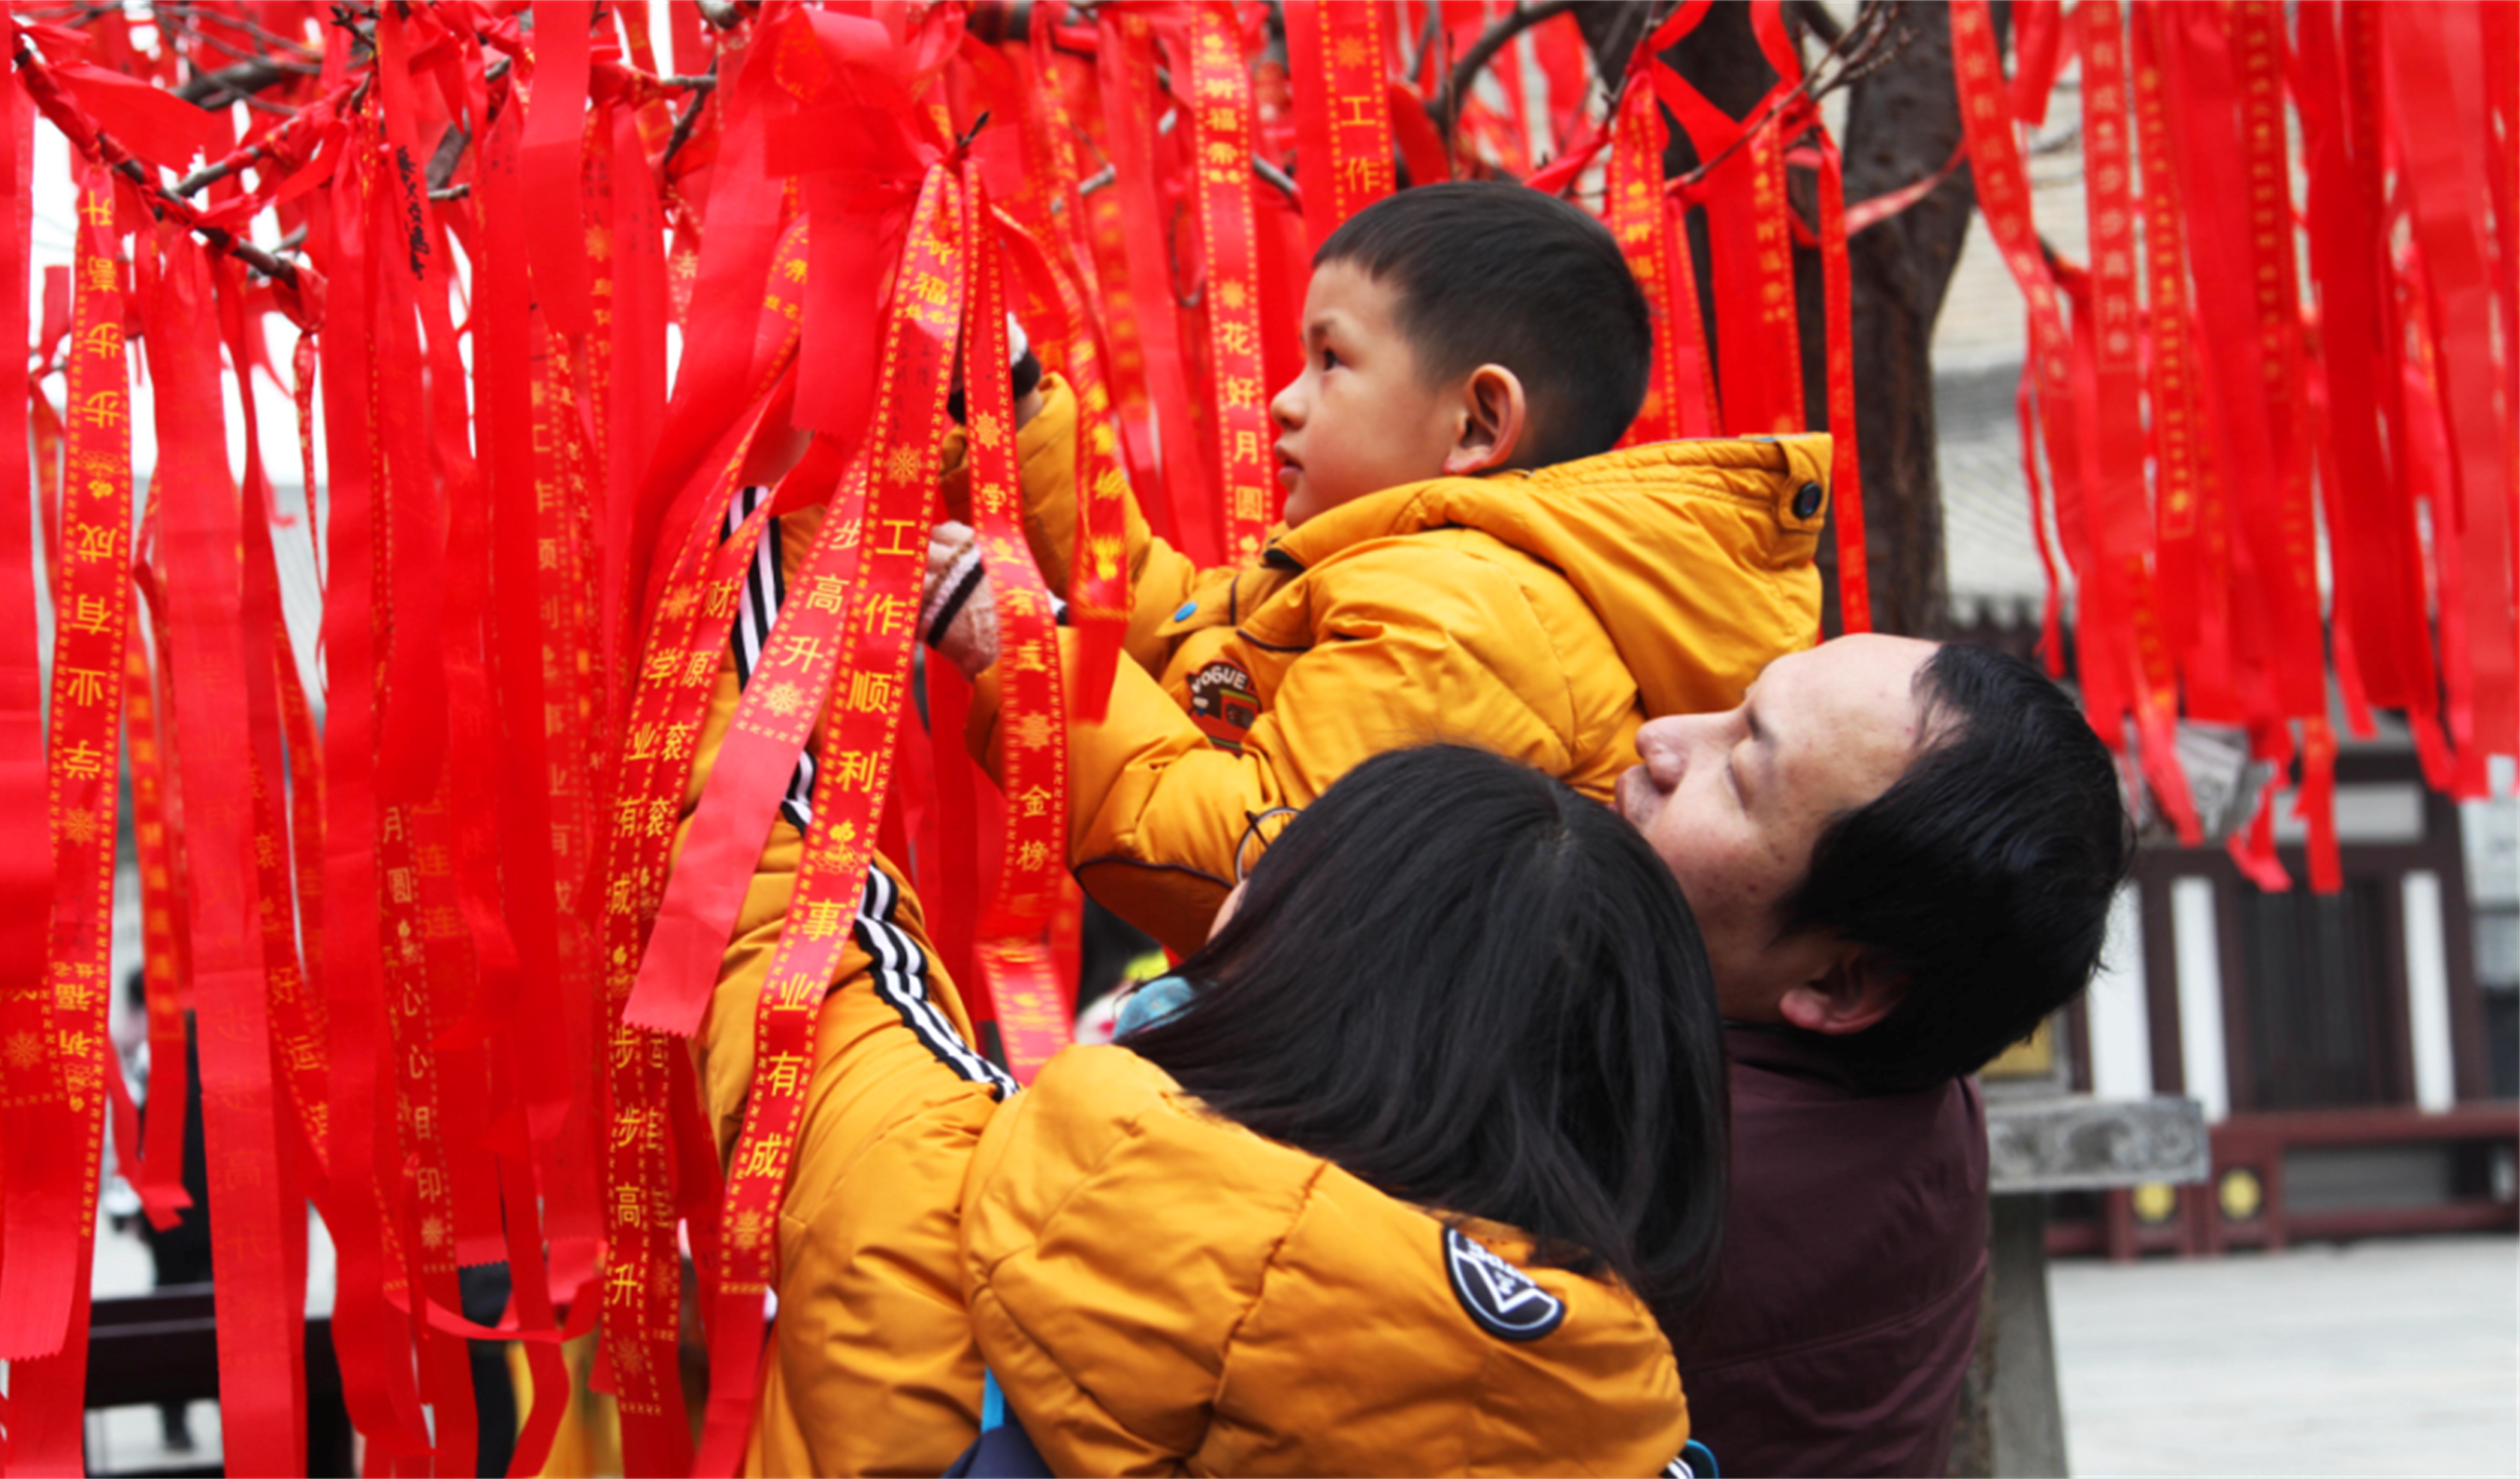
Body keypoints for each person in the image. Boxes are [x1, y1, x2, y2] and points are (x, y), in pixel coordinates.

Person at [762, 744, 1730, 1475]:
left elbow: (784, 894)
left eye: (1277, 874)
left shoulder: (924, 1180)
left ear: (1292, 954)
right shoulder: (1626, 1439)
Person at [926, 180, 1831, 955]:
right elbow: (1181, 647)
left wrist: (1026, 649)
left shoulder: (1465, 618)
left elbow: (1250, 867)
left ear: (1476, 424)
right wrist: (1010, 404)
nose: (1282, 400)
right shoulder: (1406, 569)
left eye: (1332, 361)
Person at [1615, 633, 2132, 1477]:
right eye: (1738, 707)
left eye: (1741, 776)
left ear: (1837, 984)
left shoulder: (1633, 1162)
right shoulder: (1916, 1085)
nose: (1663, 738)